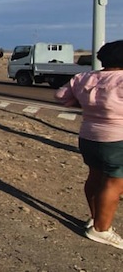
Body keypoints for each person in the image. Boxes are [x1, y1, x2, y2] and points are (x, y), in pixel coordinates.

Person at [55, 40, 123, 250]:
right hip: (117, 138)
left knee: (95, 176)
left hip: (89, 136)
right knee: (114, 183)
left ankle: (96, 218)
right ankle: (101, 230)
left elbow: (60, 96)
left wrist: (84, 103)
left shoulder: (84, 77)